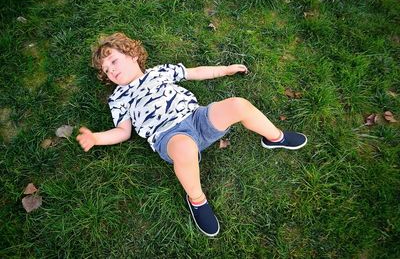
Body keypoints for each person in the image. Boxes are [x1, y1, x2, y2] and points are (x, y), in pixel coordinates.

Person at [76, 32, 307, 237]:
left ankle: (276, 137)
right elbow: (122, 132)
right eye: (107, 70)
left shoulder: (160, 72)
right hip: (168, 136)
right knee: (185, 150)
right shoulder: (119, 98)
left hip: (197, 118)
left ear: (133, 55)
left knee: (238, 104)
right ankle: (197, 200)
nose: (112, 70)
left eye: (114, 61)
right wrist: (97, 138)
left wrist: (225, 70)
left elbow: (195, 73)